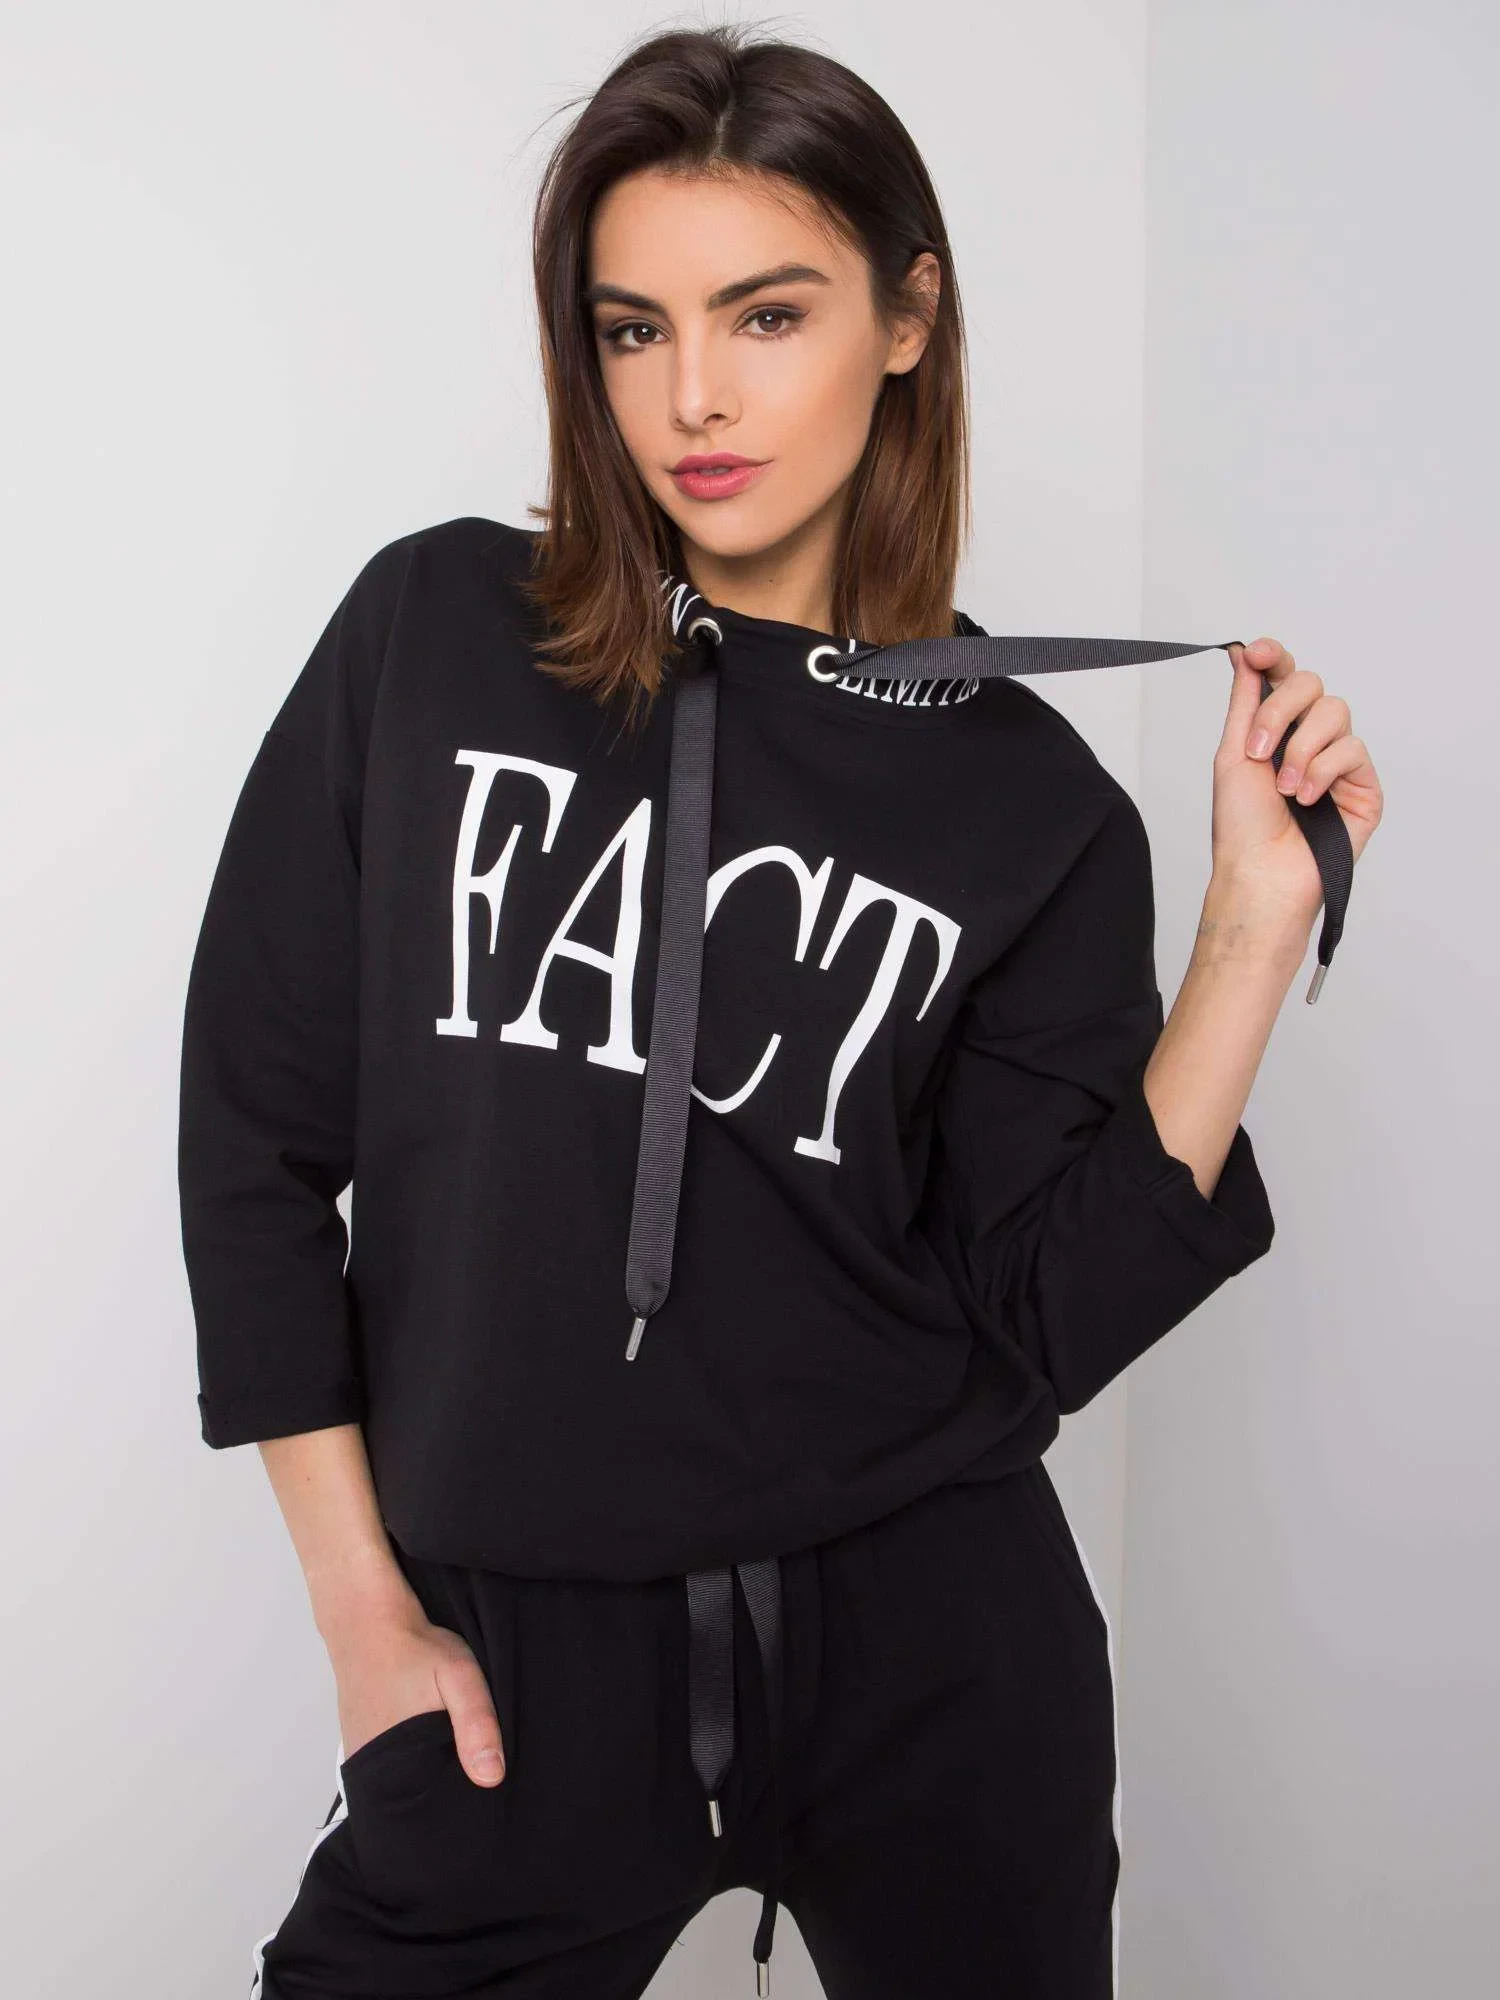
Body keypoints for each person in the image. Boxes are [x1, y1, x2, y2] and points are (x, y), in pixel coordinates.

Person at [176, 22, 1382, 2000]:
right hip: (515, 1659)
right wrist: (360, 1617)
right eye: (632, 328)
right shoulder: (433, 639)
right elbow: (254, 1142)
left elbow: (1047, 1312)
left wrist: (1253, 928)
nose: (695, 398)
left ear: (907, 319)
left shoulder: (1030, 808)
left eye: (767, 313)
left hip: (933, 1648)